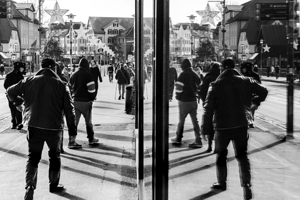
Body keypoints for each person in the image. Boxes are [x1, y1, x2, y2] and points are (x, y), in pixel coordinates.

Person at [6, 58, 81, 200]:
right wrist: (72, 131)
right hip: (54, 127)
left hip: (34, 125)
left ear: (41, 67)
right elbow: (69, 111)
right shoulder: (61, 85)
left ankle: (29, 187)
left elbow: (10, 91)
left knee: (33, 158)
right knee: (54, 156)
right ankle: (53, 185)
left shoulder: (29, 81)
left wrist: (18, 103)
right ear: (53, 68)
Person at [201, 58, 268, 200]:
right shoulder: (246, 80)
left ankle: (221, 182)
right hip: (241, 124)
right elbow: (264, 91)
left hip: (222, 126)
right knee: (242, 156)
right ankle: (247, 185)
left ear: (222, 69)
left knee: (221, 155)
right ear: (234, 67)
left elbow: (208, 109)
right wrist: (254, 102)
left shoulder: (215, 85)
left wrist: (206, 129)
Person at [171, 59, 203, 148]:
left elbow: (178, 88)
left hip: (184, 101)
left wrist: (178, 97)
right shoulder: (195, 75)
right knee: (195, 121)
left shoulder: (183, 75)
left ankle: (178, 138)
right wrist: (197, 94)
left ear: (183, 66)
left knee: (181, 121)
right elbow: (200, 86)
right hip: (193, 101)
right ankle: (198, 140)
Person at [69, 58, 99, 145]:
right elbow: (92, 89)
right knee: (88, 122)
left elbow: (69, 88)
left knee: (74, 123)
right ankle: (91, 139)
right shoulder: (88, 75)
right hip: (86, 102)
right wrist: (92, 98)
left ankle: (72, 141)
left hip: (75, 101)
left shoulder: (73, 75)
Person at [199, 62, 221, 153]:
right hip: (220, 105)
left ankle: (209, 146)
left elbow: (202, 91)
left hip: (209, 104)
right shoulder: (221, 78)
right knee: (218, 125)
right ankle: (217, 146)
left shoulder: (207, 78)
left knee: (209, 124)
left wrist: (205, 102)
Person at [4, 61, 25, 130]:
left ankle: (19, 123)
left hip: (19, 95)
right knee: (13, 109)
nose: (23, 69)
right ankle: (14, 123)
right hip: (11, 95)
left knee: (19, 109)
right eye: (21, 68)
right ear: (17, 68)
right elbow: (6, 85)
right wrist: (12, 90)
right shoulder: (9, 75)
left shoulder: (20, 75)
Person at [240, 62, 261, 128]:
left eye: (243, 69)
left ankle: (249, 123)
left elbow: (259, 88)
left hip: (249, 95)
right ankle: (250, 122)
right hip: (249, 96)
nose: (242, 70)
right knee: (249, 110)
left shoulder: (245, 76)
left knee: (249, 109)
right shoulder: (254, 75)